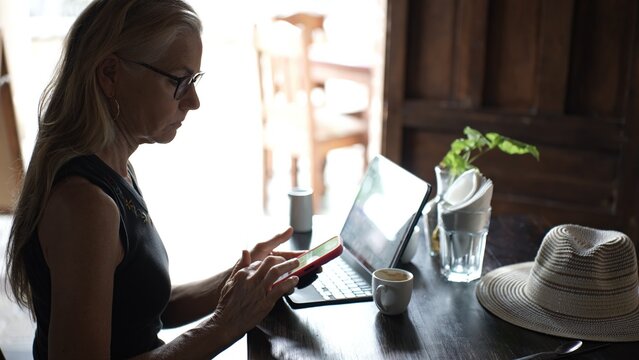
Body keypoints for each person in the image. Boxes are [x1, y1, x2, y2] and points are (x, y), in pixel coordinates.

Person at [4, 0, 304, 358]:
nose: (193, 101)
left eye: (194, 80)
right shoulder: (85, 204)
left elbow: (142, 310)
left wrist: (239, 276)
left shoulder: (114, 169)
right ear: (110, 74)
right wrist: (225, 324)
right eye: (179, 80)